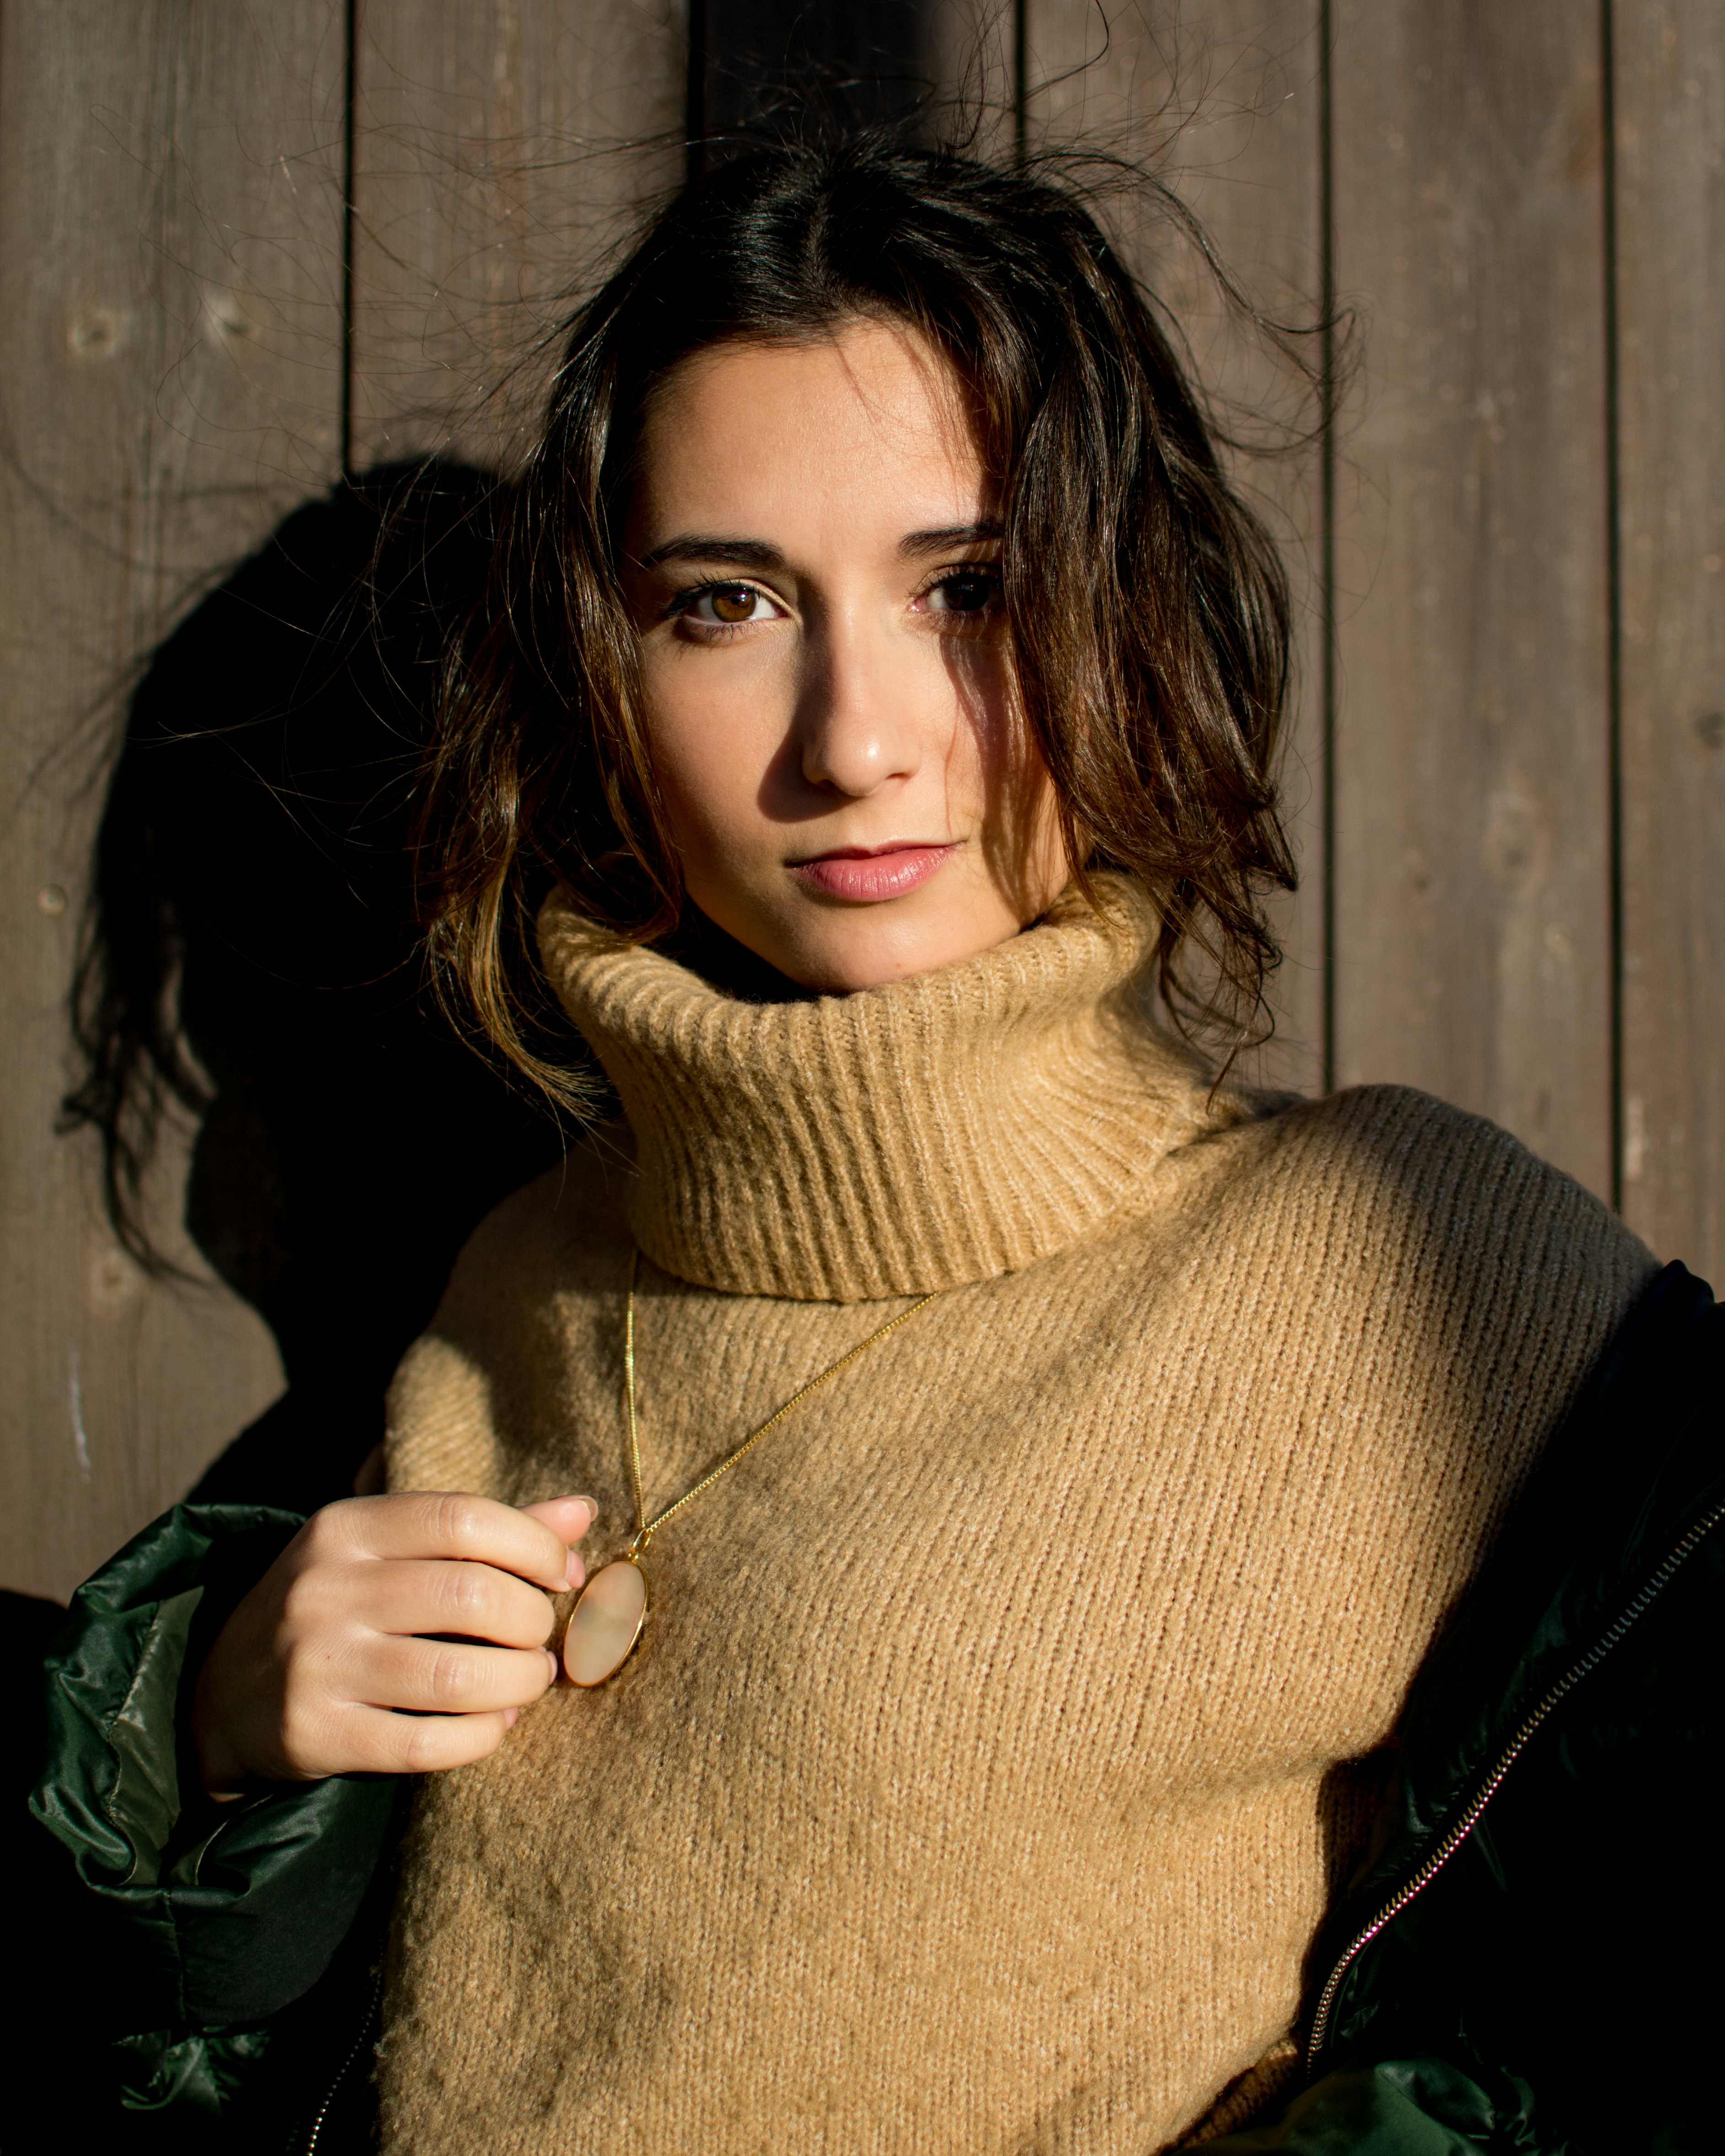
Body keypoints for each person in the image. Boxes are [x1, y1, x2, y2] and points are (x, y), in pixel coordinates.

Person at [28, 136, 1722, 2156]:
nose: (853, 737)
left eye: (969, 588)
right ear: (602, 675)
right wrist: (202, 1736)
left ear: (1130, 603)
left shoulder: (1418, 1274)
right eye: (724, 604)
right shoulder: (515, 1281)